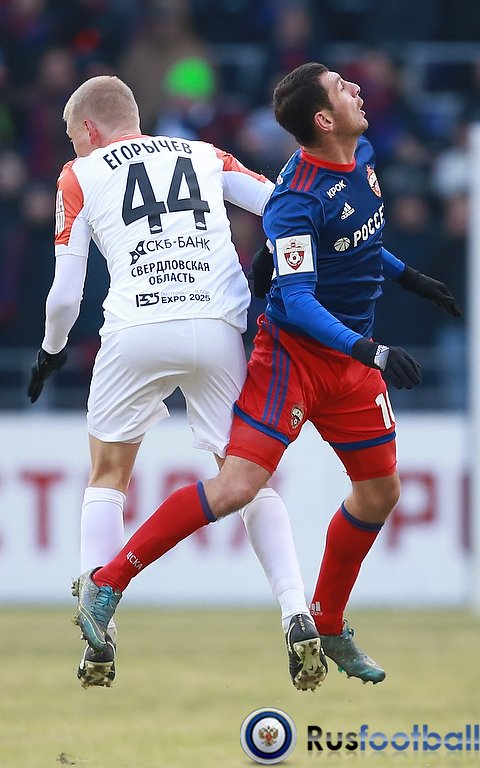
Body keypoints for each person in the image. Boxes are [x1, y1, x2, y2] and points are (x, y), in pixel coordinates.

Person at [70, 62, 461, 685]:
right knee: (236, 487)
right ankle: (108, 582)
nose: (357, 89)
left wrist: (409, 277)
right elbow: (298, 300)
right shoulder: (294, 198)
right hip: (295, 361)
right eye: (343, 88)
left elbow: (355, 239)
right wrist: (372, 351)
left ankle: (327, 620)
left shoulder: (361, 159)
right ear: (324, 119)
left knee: (380, 492)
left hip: (351, 362)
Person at [28, 74, 327, 692]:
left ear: (89, 130)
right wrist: (277, 261)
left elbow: (63, 296)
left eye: (73, 135)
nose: (74, 145)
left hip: (136, 328)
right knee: (246, 475)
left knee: (107, 475)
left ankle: (99, 627)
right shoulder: (203, 153)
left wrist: (50, 352)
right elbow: (280, 204)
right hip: (217, 325)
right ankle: (296, 610)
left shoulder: (78, 174)